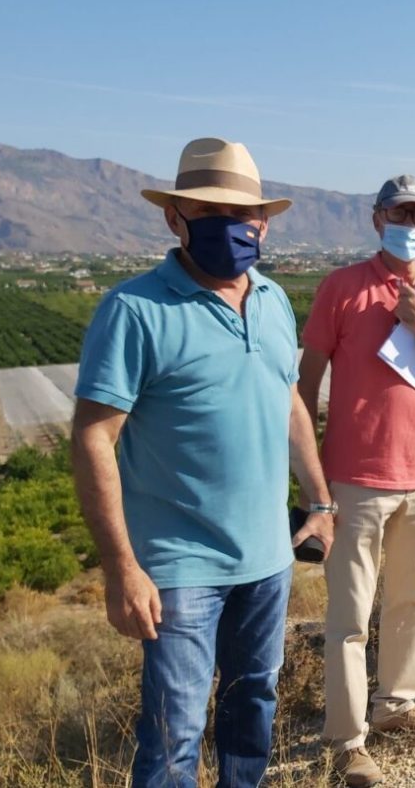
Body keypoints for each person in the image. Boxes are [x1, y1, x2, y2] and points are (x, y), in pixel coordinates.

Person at [71, 137, 335, 788]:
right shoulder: (134, 310)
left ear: (264, 223)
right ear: (175, 218)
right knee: (173, 735)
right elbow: (93, 439)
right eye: (211, 215)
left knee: (253, 708)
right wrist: (121, 569)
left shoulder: (273, 301)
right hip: (179, 570)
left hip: (269, 560)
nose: (233, 229)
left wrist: (321, 502)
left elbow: (291, 407)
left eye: (244, 216)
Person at [298, 175, 415, 788]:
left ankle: (396, 707)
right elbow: (305, 385)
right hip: (354, 479)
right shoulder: (341, 288)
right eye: (400, 213)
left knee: (411, 601)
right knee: (349, 617)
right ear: (377, 220)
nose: (411, 223)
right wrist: (311, 484)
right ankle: (347, 742)